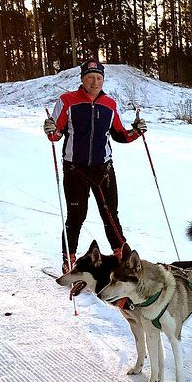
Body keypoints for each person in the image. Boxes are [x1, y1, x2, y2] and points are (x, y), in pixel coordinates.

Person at [43, 59, 147, 272]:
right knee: (76, 215)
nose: (95, 82)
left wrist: (136, 131)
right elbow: (56, 134)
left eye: (99, 78)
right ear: (82, 79)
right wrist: (50, 129)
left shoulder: (109, 104)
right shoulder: (67, 101)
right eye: (90, 77)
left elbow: (120, 135)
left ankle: (123, 258)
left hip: (103, 170)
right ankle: (69, 258)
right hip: (75, 169)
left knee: (110, 215)